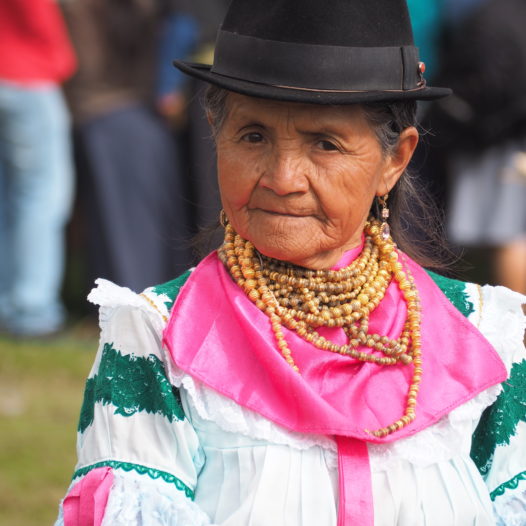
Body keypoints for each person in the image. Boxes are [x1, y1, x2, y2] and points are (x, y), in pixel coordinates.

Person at [55, 1, 526, 525]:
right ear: (215, 136)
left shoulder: (487, 335)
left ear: (395, 159)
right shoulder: (156, 338)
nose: (282, 178)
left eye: (325, 143)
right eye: (252, 136)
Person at [0, 0, 76, 337]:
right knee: (43, 195)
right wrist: (61, 60)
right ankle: (32, 311)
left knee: (8, 198)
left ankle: (9, 303)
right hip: (27, 74)